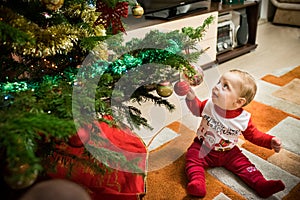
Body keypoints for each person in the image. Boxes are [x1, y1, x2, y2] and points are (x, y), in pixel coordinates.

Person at [174, 69, 285, 198]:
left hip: (229, 152)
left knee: (245, 166)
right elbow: (196, 109)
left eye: (225, 86)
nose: (216, 87)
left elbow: (254, 136)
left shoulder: (243, 119)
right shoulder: (208, 104)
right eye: (219, 82)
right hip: (202, 146)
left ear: (238, 102)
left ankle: (261, 184)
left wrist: (270, 141)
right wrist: (190, 96)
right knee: (192, 159)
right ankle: (197, 182)